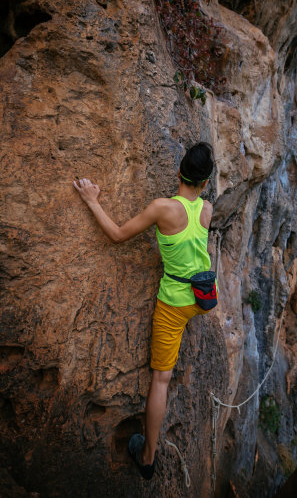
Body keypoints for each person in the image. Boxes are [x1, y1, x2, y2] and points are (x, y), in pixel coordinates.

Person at [73, 141, 216, 480]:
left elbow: (118, 235)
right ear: (205, 183)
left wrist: (92, 200)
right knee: (169, 362)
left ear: (178, 171)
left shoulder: (162, 208)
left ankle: (148, 456)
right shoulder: (207, 209)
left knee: (160, 379)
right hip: (204, 297)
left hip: (175, 303)